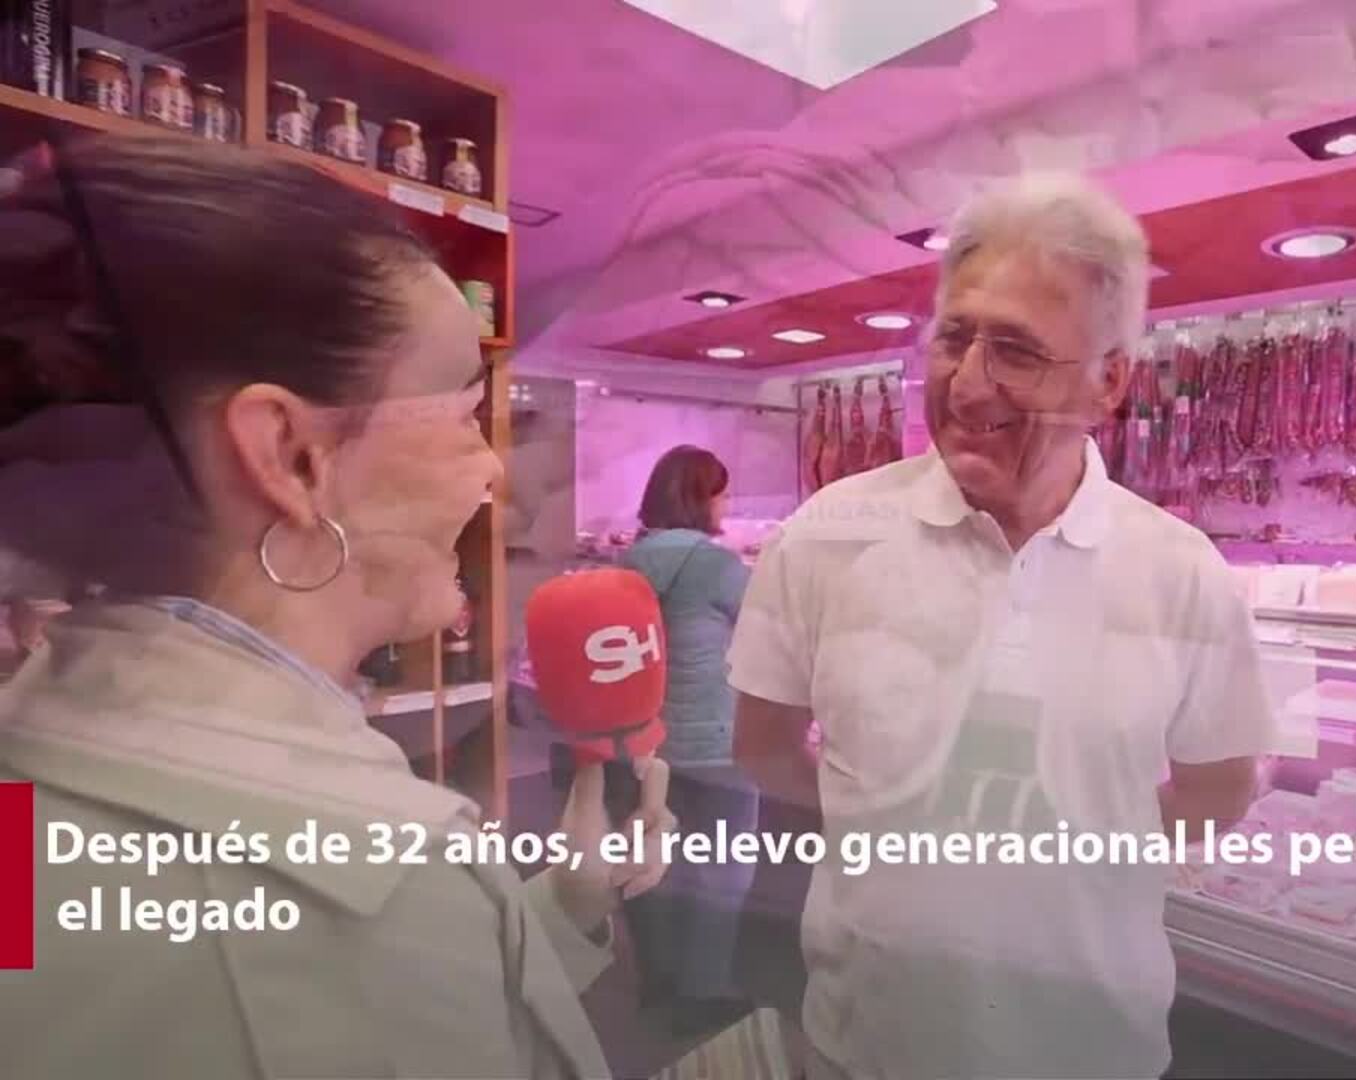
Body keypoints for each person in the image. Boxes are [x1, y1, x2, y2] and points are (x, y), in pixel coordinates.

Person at [0, 133, 670, 1079]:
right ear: (290, 455)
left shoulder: (44, 772)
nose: (491, 474)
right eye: (463, 415)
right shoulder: (370, 880)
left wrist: (563, 906)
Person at [728, 172, 1282, 1079]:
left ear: (1110, 380)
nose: (967, 383)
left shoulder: (1181, 572)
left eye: (1017, 351)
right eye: (954, 337)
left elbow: (1217, 791)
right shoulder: (827, 535)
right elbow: (764, 746)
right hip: (863, 1047)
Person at [618, 444, 757, 1030]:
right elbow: (767, 627)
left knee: (657, 860)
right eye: (722, 493)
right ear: (702, 498)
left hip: (647, 739)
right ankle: (702, 991)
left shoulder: (629, 561)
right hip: (718, 740)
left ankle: (658, 980)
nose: (727, 504)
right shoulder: (714, 565)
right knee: (722, 868)